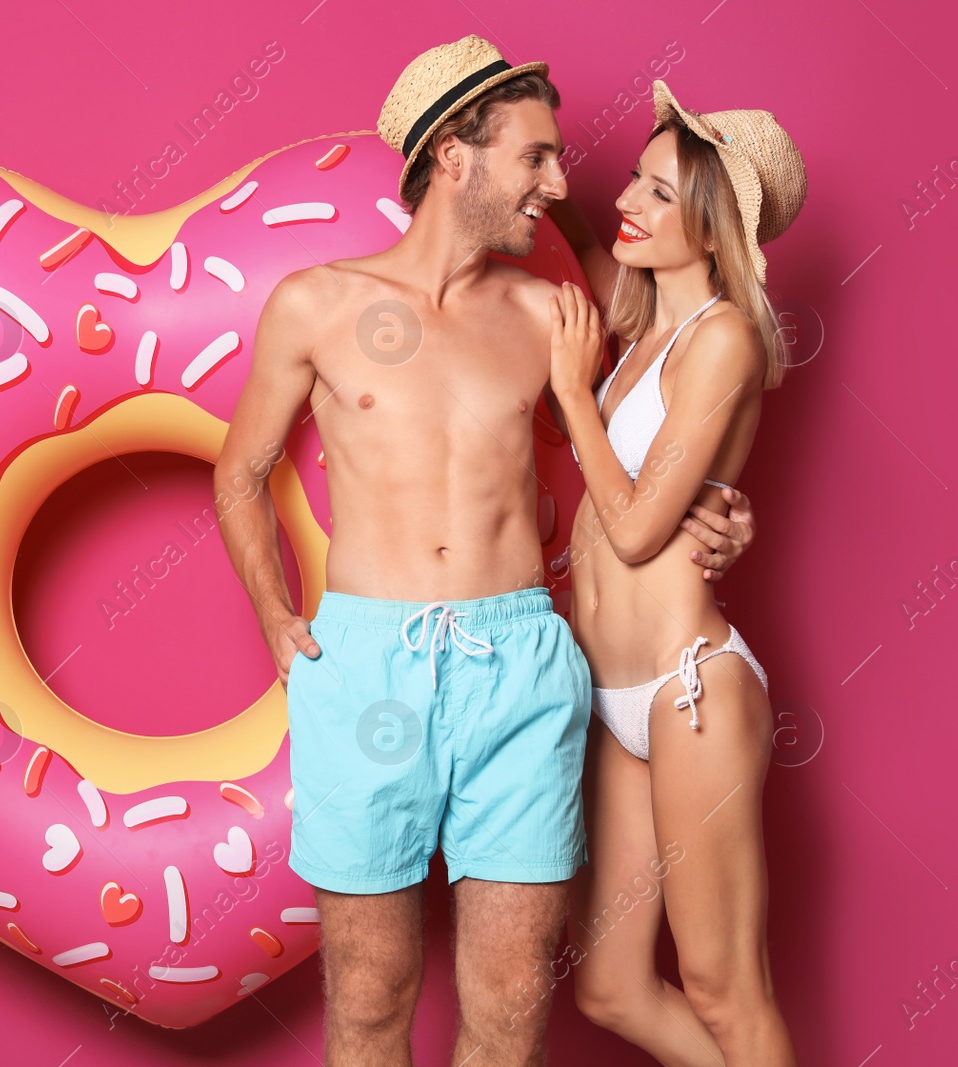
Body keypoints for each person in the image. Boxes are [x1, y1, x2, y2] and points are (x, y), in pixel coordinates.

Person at [214, 38, 756, 1066]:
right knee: (370, 991)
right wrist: (276, 617)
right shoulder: (316, 304)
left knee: (512, 997)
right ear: (455, 157)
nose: (560, 182)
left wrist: (721, 507)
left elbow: (656, 428)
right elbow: (238, 475)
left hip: (519, 664)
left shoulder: (553, 316)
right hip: (366, 661)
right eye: (535, 158)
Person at [544, 80, 805, 1064]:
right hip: (610, 691)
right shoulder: (638, 323)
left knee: (723, 987)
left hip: (687, 687)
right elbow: (578, 229)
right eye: (634, 179)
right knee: (609, 985)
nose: (631, 203)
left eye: (660, 193)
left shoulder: (722, 336)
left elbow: (643, 525)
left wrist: (573, 397)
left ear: (709, 226)